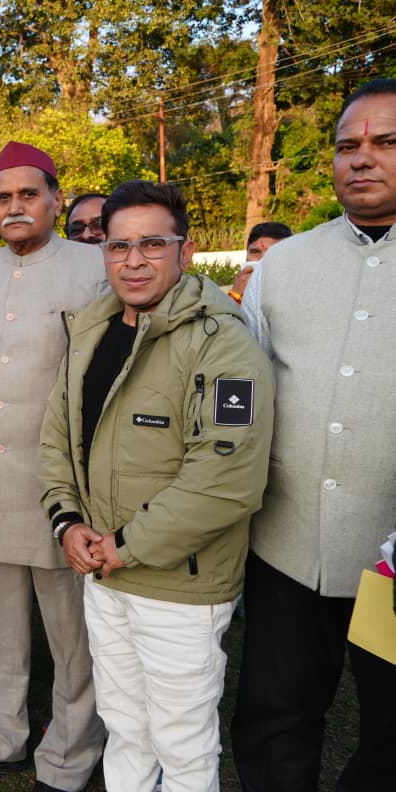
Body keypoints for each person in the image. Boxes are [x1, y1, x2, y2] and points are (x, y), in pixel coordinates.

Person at [39, 179, 275, 792]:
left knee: (182, 743)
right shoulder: (91, 331)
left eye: (152, 244)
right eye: (119, 246)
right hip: (103, 573)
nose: (134, 260)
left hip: (180, 588)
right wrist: (67, 523)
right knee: (125, 728)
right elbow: (57, 439)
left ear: (185, 251)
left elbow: (227, 478)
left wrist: (125, 545)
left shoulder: (224, 344)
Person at [232, 77, 396, 792]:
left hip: (390, 554)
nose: (361, 157)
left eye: (386, 142)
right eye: (346, 145)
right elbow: (242, 384)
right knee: (275, 715)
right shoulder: (285, 264)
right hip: (286, 541)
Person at [0, 141, 107, 789]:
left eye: (28, 194)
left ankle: (69, 756)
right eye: (3, 197)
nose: (15, 206)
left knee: (73, 631)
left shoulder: (93, 266)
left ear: (56, 200)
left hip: (64, 484)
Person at [227, 221, 293, 304]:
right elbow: (226, 312)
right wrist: (236, 295)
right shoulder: (235, 292)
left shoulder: (301, 290)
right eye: (255, 252)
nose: (262, 260)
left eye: (273, 252)